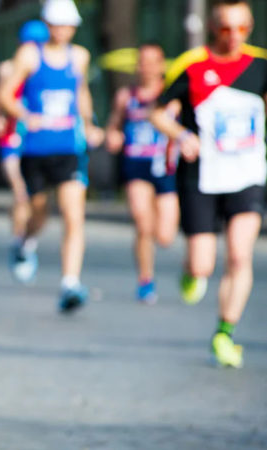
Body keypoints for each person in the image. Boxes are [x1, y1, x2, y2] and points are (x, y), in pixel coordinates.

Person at [150, 0, 266, 368]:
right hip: (202, 175)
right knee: (203, 263)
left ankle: (224, 333)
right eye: (227, 29)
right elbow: (157, 112)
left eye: (242, 29)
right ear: (214, 28)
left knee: (238, 255)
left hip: (247, 175)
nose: (235, 37)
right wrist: (181, 134)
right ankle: (191, 271)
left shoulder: (261, 65)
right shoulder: (193, 64)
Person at [0, 0, 103, 314]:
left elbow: (80, 92)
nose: (63, 31)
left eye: (69, 25)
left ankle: (70, 282)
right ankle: (25, 242)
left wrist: (89, 124)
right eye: (58, 24)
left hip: (69, 148)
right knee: (38, 213)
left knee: (74, 215)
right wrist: (25, 115)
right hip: (35, 148)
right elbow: (6, 94)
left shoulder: (79, 57)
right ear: (47, 25)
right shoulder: (30, 55)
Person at [106, 43, 180, 304]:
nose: (146, 67)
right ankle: (145, 279)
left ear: (162, 65)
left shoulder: (172, 96)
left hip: (166, 167)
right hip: (136, 164)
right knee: (142, 221)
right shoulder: (127, 96)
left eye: (152, 61)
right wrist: (113, 136)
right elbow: (113, 126)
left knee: (165, 235)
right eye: (142, 61)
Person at [0, 20, 49, 270]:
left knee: (39, 201)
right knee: (20, 192)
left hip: (38, 140)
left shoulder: (47, 67)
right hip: (12, 137)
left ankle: (28, 240)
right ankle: (19, 241)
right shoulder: (8, 69)